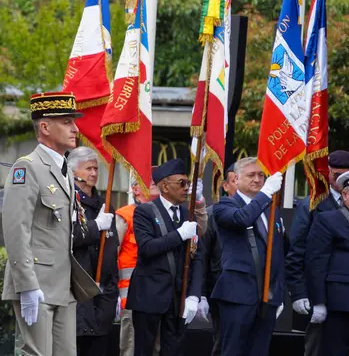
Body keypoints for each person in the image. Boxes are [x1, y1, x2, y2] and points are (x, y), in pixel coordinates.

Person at [1, 92, 98, 356]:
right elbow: (15, 230)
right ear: (44, 127)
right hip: (37, 283)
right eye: (67, 122)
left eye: (73, 121)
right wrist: (27, 285)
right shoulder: (28, 168)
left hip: (63, 285)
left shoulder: (64, 170)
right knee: (36, 353)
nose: (75, 128)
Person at [116, 172, 207, 356]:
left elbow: (197, 255)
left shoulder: (186, 213)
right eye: (182, 183)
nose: (186, 188)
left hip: (176, 298)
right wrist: (179, 235)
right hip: (146, 294)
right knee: (139, 349)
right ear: (165, 186)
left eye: (188, 183)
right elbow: (145, 248)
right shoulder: (140, 212)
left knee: (173, 349)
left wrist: (194, 295)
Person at [285, 150, 349, 356]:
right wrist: (299, 292)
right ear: (327, 173)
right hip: (321, 292)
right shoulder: (312, 203)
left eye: (348, 176)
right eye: (337, 175)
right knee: (319, 348)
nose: (342, 181)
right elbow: (297, 251)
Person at [212, 157, 285, 356]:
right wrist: (265, 193)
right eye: (251, 175)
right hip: (238, 293)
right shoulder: (225, 205)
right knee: (233, 350)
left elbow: (278, 252)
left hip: (267, 295)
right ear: (236, 179)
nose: (257, 179)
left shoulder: (271, 210)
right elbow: (242, 219)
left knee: (259, 351)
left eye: (261, 175)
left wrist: (278, 292)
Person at [306, 167, 349, 355]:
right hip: (339, 301)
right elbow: (316, 262)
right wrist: (318, 301)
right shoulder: (328, 220)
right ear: (345, 195)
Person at [66, 146, 118, 356]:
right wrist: (96, 226)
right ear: (73, 172)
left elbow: (112, 251)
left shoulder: (104, 205)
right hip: (79, 292)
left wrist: (112, 291)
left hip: (103, 294)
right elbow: (71, 237)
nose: (94, 173)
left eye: (96, 168)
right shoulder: (70, 201)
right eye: (88, 168)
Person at [197, 163, 237, 356]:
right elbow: (203, 255)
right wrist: (201, 293)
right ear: (225, 185)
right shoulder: (214, 214)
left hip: (253, 289)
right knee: (224, 341)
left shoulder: (264, 213)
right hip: (220, 289)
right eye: (234, 180)